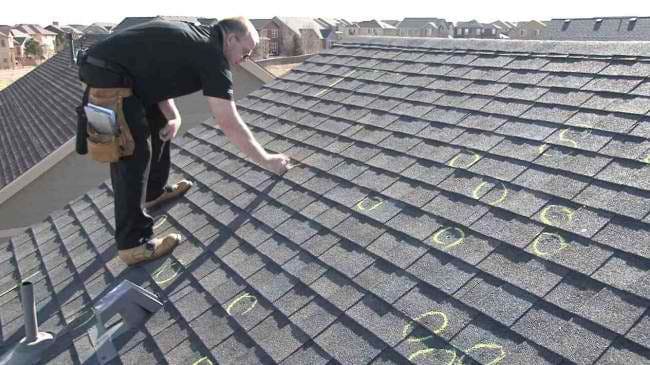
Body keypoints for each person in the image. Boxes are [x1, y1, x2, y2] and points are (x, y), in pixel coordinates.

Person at [76, 17, 290, 266]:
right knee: (131, 152)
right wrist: (266, 159)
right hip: (107, 76)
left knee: (159, 125)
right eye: (245, 51)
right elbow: (227, 120)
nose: (246, 58)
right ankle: (132, 244)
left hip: (119, 73)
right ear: (231, 39)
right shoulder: (211, 55)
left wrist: (173, 115)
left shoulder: (197, 38)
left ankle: (152, 193)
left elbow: (152, 73)